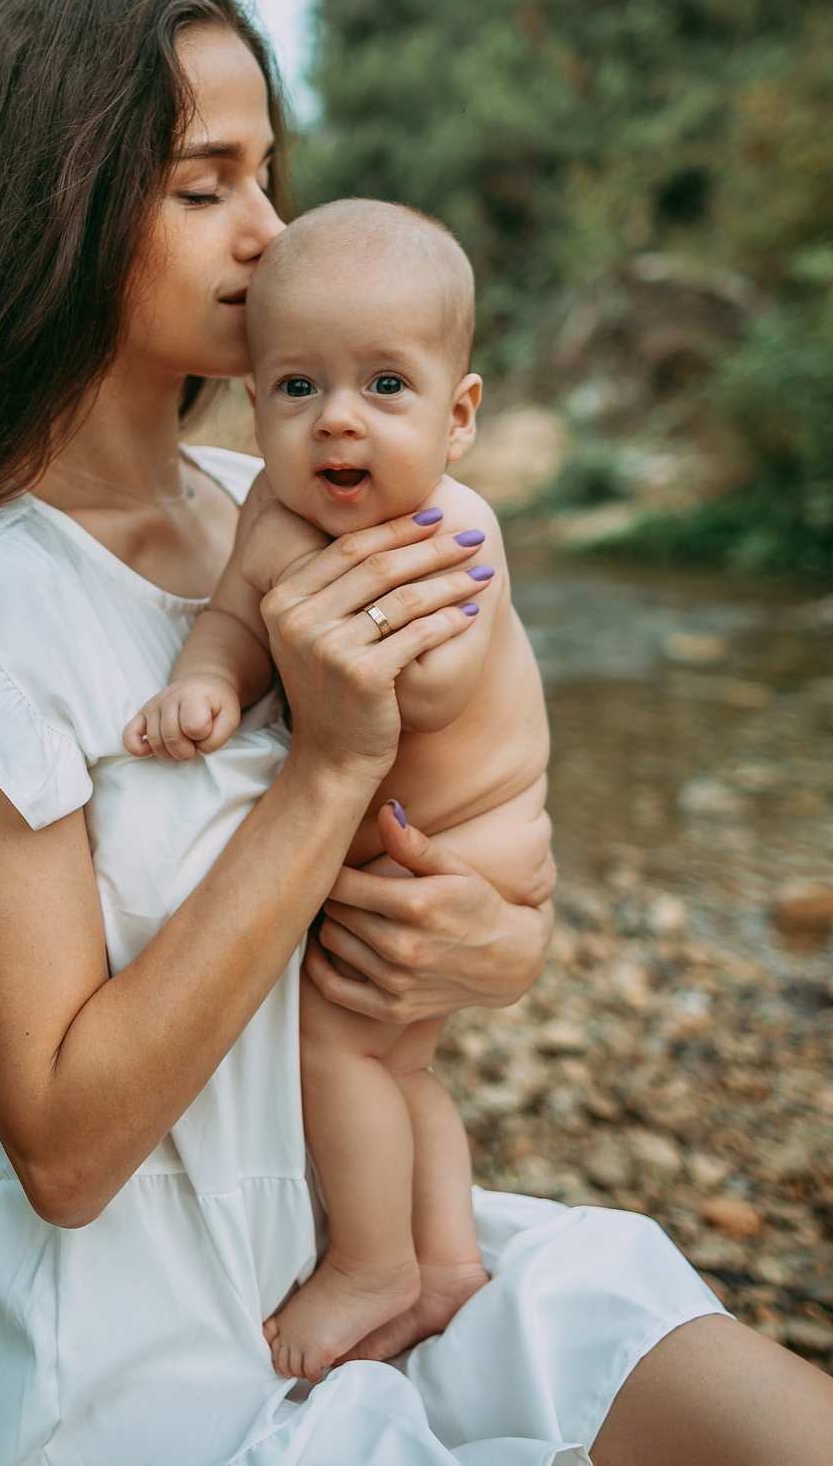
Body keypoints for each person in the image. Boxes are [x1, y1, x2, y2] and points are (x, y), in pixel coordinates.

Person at [0, 0, 833, 1466]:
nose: (270, 230)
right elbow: (65, 1146)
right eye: (206, 183)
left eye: (271, 174)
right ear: (60, 211)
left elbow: (474, 787)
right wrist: (324, 769)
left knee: (804, 1442)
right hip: (130, 1338)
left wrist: (498, 939)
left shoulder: (292, 502)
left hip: (354, 1214)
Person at [124, 198, 548, 1380]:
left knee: (337, 1050)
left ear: (458, 417)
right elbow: (231, 624)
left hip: (463, 850)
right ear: (254, 403)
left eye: (385, 388)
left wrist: (326, 624)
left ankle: (370, 1265)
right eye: (298, 389)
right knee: (401, 1066)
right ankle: (450, 1264)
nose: (337, 423)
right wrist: (207, 686)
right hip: (397, 854)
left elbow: (435, 688)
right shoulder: (270, 510)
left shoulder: (451, 529)